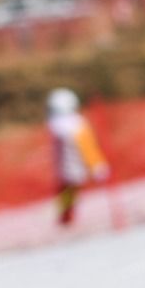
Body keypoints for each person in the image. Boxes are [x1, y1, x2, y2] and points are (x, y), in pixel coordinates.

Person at [44, 87, 109, 227]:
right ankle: (66, 218)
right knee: (67, 194)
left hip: (72, 169)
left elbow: (86, 147)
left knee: (69, 194)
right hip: (68, 171)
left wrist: (96, 164)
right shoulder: (71, 125)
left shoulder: (72, 125)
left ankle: (67, 218)